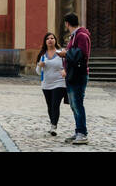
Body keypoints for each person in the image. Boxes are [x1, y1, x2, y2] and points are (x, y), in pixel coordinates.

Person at [62, 12, 91, 145]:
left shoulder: (81, 36)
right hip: (72, 75)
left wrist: (65, 53)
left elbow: (82, 55)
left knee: (77, 104)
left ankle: (82, 133)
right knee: (74, 105)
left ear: (67, 23)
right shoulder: (74, 36)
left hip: (78, 75)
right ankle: (78, 130)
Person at [35, 32, 68, 137]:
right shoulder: (42, 55)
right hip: (46, 84)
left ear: (55, 40)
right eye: (48, 38)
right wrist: (40, 66)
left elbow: (68, 65)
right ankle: (52, 124)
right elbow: (38, 72)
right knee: (49, 106)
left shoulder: (61, 53)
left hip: (60, 83)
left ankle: (54, 126)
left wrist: (65, 71)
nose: (50, 40)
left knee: (55, 104)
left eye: (52, 38)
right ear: (45, 41)